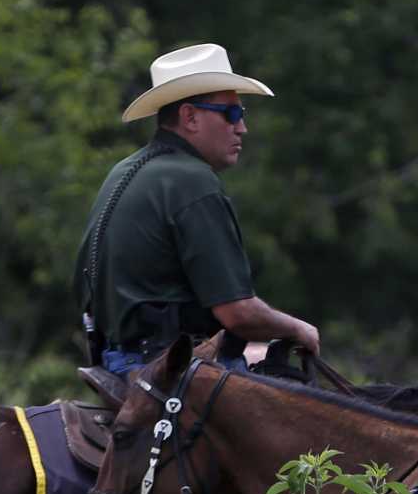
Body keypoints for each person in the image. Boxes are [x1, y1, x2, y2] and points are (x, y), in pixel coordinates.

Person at [75, 42, 320, 379]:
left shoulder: (123, 170)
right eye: (232, 113)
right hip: (172, 371)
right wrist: (299, 330)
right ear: (190, 116)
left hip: (116, 363)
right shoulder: (193, 180)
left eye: (242, 114)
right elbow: (238, 313)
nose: (241, 127)